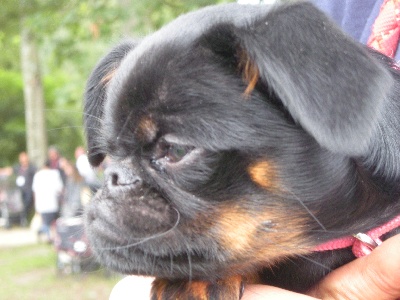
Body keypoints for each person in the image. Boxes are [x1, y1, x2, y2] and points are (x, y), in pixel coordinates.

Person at [0, 152, 36, 227]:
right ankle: (20, 219)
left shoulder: (32, 168)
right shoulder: (18, 167)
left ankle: (24, 218)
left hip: (29, 191)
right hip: (19, 191)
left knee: (27, 205)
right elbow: (9, 170)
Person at [32, 160, 63, 242]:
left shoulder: (37, 175)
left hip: (41, 204)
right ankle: (48, 236)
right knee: (52, 222)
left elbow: (35, 191)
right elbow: (59, 189)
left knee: (46, 222)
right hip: (52, 203)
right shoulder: (55, 173)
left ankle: (46, 235)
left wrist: (36, 204)